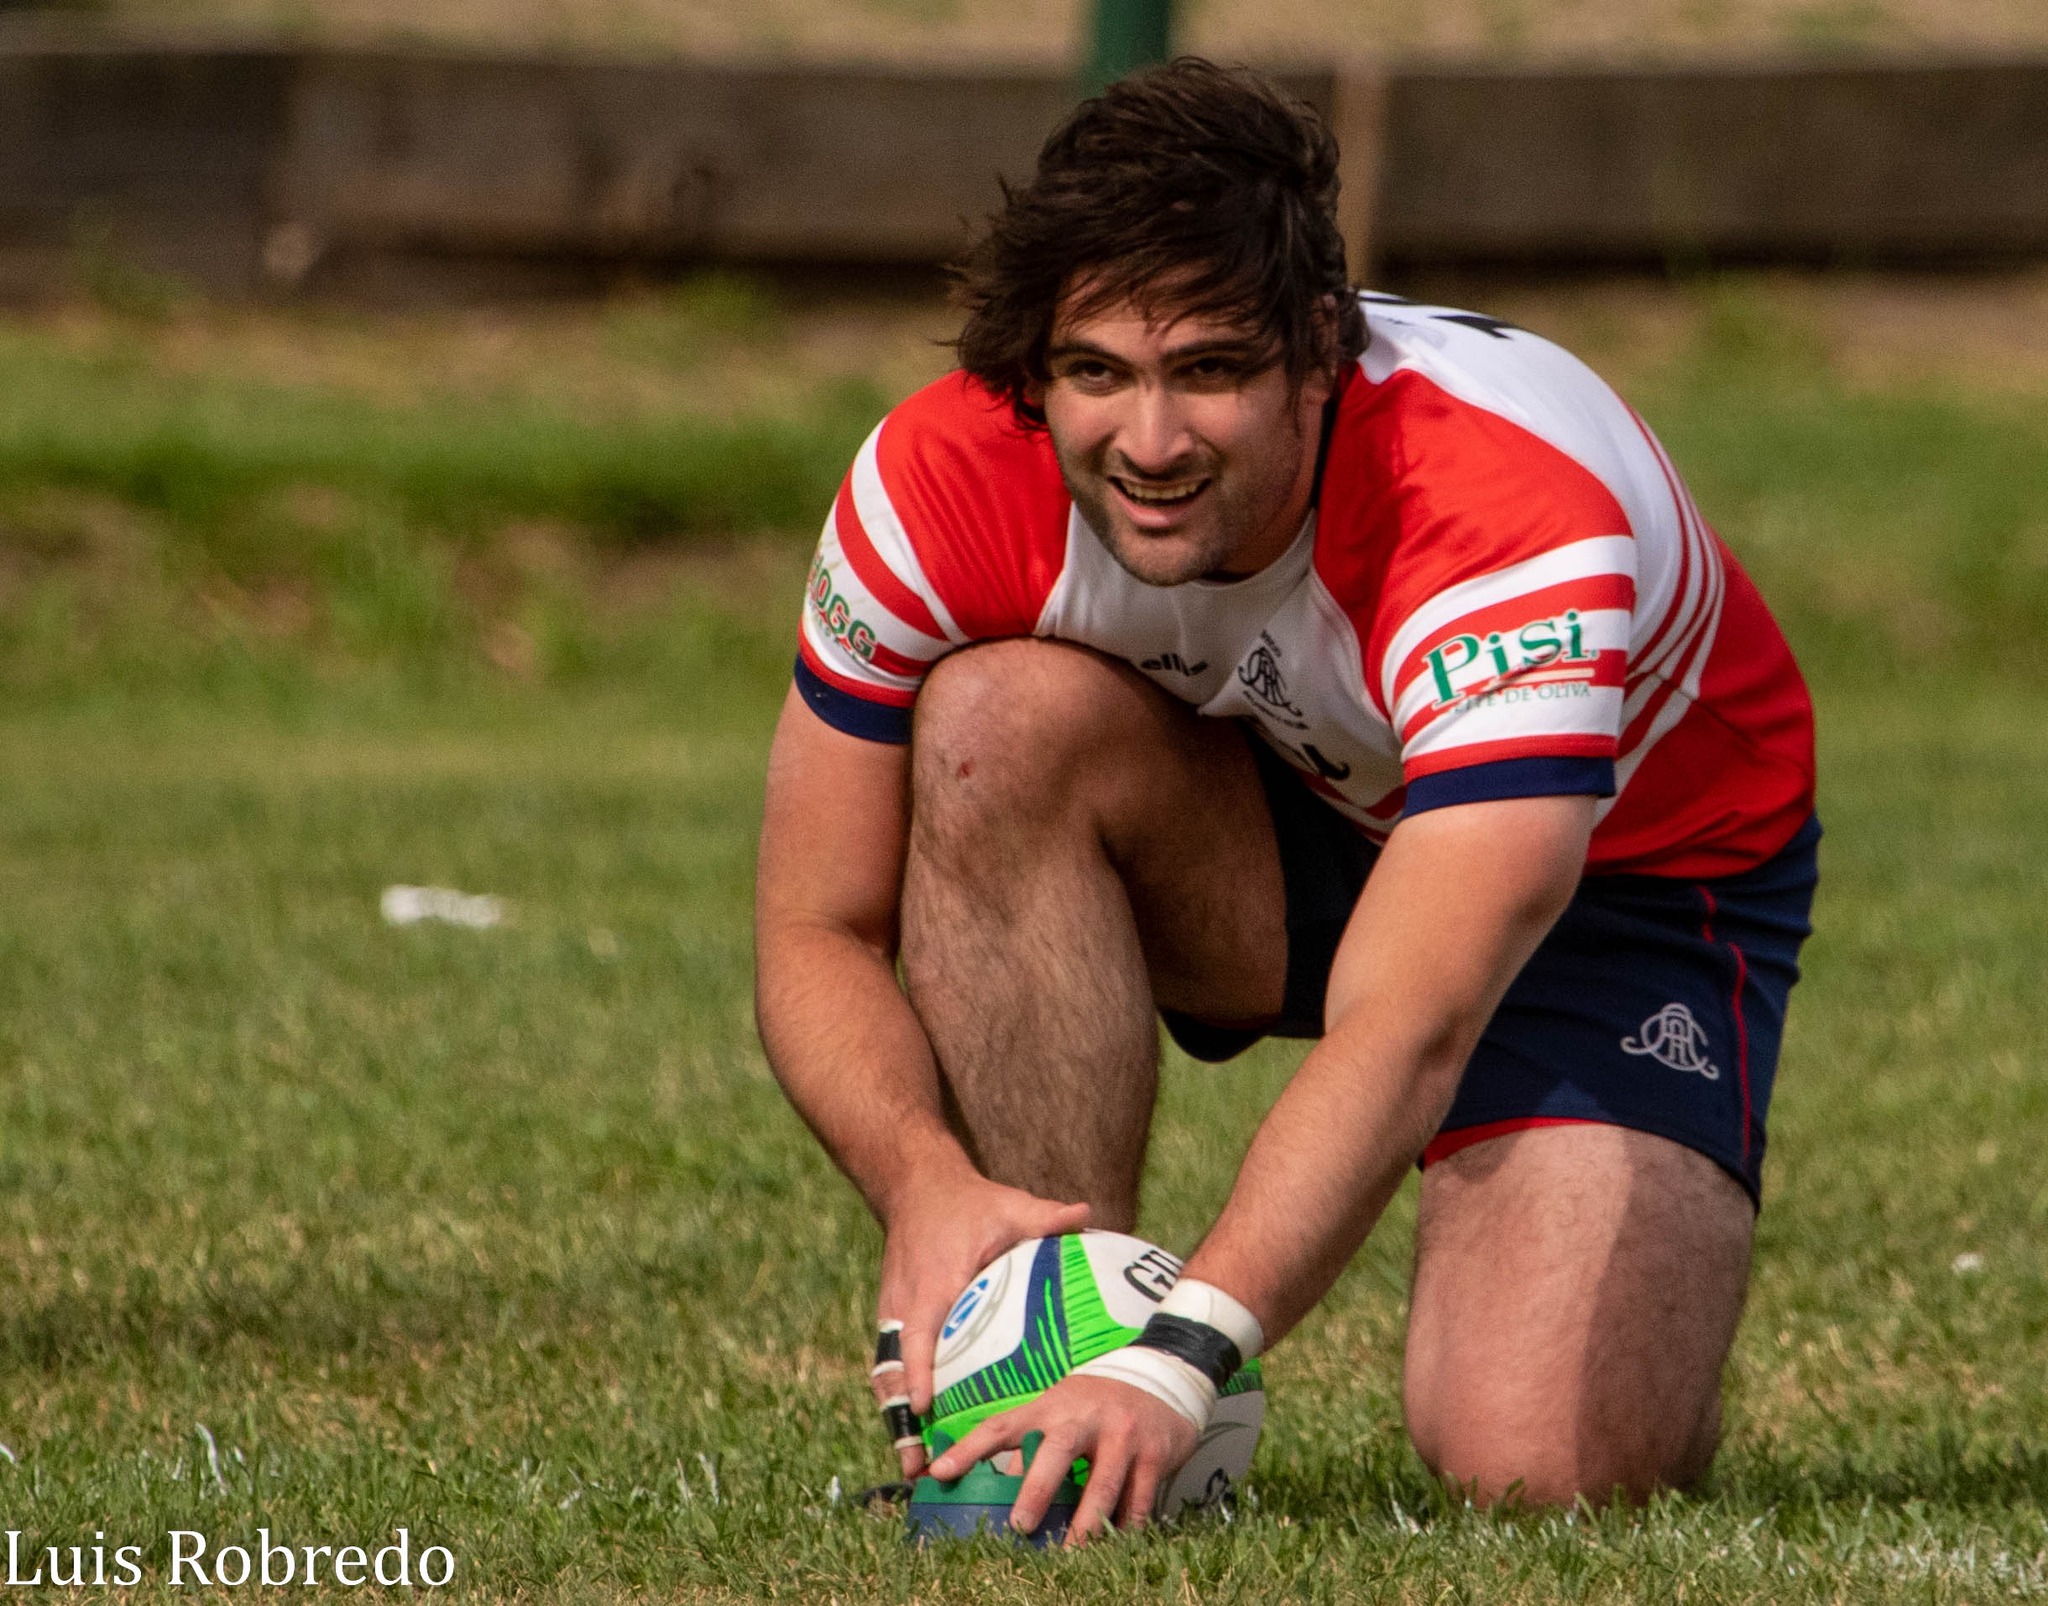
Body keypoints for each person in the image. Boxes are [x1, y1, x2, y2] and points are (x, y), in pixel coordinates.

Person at [753, 58, 1816, 1540]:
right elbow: (814, 921)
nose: (1150, 443)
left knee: (1541, 1467)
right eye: (1096, 372)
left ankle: (1139, 1386)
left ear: (1322, 350)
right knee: (995, 724)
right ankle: (1042, 1371)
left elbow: (1412, 1019)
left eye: (1210, 370)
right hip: (1300, 794)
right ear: (1032, 364)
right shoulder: (938, 479)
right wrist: (925, 1181)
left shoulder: (1500, 513)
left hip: (1627, 883)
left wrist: (1182, 1358)